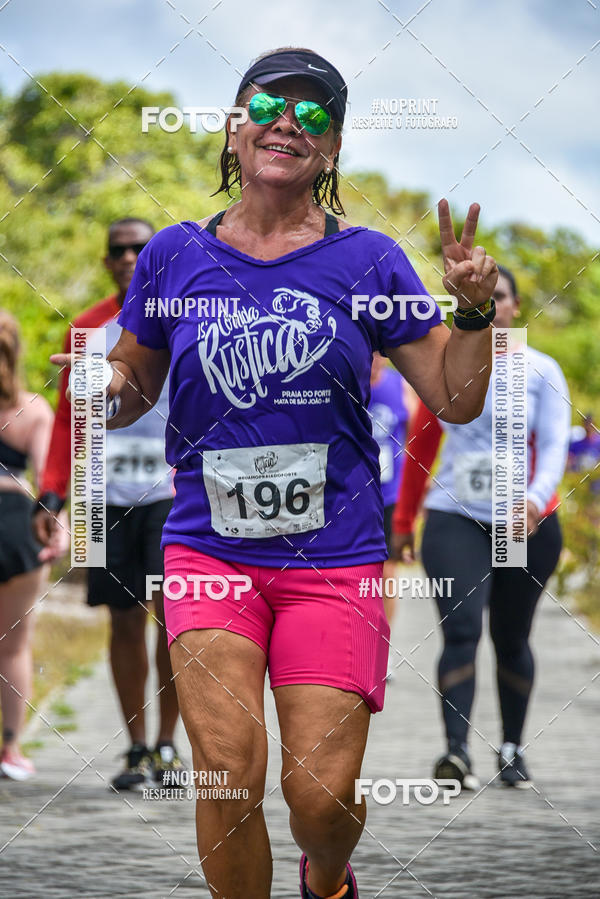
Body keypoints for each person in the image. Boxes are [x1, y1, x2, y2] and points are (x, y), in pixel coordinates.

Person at [51, 47, 498, 899]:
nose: (289, 120)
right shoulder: (175, 255)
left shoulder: (369, 262)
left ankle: (327, 877)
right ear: (235, 125)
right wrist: (95, 388)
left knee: (319, 798)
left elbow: (458, 396)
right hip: (208, 552)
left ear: (330, 153)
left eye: (315, 113)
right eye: (268, 104)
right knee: (225, 767)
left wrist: (471, 310)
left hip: (335, 555)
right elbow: (135, 382)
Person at [392, 265, 570, 791]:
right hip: (456, 517)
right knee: (462, 629)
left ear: (515, 308)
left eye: (502, 298)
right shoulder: (448, 367)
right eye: (483, 299)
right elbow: (420, 447)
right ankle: (456, 752)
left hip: (523, 524)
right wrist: (403, 521)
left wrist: (535, 502)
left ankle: (512, 748)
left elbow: (556, 444)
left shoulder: (542, 370)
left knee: (510, 637)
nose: (493, 306)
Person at [33, 219, 182, 791]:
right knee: (122, 622)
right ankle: (138, 748)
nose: (127, 256)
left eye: (139, 248)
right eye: (117, 249)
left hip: (171, 493)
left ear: (154, 259)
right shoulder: (87, 329)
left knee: (173, 623)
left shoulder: (180, 320)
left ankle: (170, 745)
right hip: (102, 497)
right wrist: (52, 494)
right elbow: (69, 423)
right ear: (106, 262)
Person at [0, 312, 64, 779]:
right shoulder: (34, 410)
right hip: (17, 528)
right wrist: (57, 527)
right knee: (14, 646)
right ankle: (12, 749)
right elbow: (48, 481)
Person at [367, 351, 416, 637]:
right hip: (348, 497)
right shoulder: (341, 384)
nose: (376, 360)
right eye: (371, 354)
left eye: (381, 354)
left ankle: (381, 645)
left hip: (390, 495)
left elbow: (414, 442)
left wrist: (414, 494)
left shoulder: (401, 386)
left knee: (387, 572)